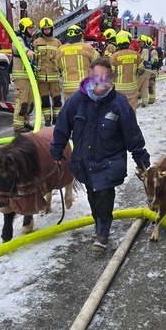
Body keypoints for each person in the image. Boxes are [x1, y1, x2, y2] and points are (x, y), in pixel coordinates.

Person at [50, 57, 151, 252]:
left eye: (104, 77)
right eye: (96, 76)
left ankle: (102, 232)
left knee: (104, 195)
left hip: (109, 161)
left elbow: (132, 134)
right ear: (89, 76)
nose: (100, 81)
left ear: (110, 79)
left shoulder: (118, 103)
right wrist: (56, 150)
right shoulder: (76, 101)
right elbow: (62, 127)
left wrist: (142, 160)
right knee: (93, 195)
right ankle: (99, 223)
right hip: (84, 161)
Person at [55, 25, 99, 101]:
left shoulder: (60, 49)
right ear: (80, 36)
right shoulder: (86, 47)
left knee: (70, 110)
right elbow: (98, 61)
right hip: (83, 87)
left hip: (67, 88)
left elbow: (57, 65)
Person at [33, 17, 63, 126]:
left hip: (54, 77)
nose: (47, 31)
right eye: (44, 29)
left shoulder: (58, 43)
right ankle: (47, 119)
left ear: (52, 29)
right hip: (41, 78)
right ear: (42, 30)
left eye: (48, 29)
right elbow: (33, 60)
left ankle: (57, 118)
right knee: (44, 100)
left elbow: (60, 60)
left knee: (57, 99)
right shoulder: (37, 43)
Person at [11, 17, 37, 133]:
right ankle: (18, 126)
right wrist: (28, 52)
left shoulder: (27, 41)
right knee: (22, 101)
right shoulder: (18, 40)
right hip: (21, 77)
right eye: (30, 28)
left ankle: (26, 122)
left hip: (28, 77)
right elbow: (20, 48)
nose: (31, 30)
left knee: (30, 101)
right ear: (24, 29)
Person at [110, 31, 143, 111]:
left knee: (119, 109)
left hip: (118, 88)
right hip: (132, 87)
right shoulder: (135, 54)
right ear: (129, 42)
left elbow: (110, 73)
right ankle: (132, 123)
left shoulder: (115, 56)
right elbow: (142, 70)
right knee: (132, 108)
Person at [136, 35, 154, 108]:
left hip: (144, 70)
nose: (140, 43)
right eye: (139, 42)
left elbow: (145, 59)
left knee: (136, 87)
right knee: (144, 87)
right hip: (148, 70)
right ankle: (145, 102)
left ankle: (134, 103)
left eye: (141, 42)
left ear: (145, 42)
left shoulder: (145, 50)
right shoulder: (145, 49)